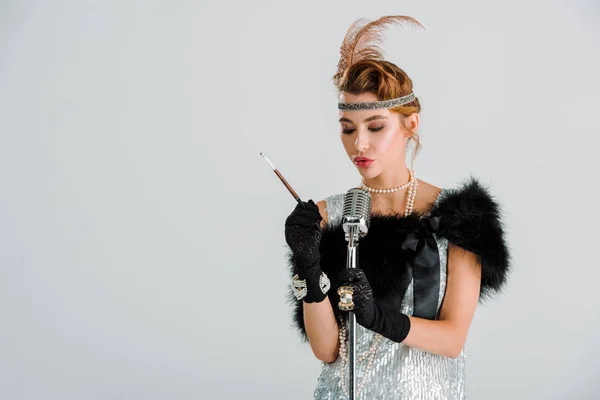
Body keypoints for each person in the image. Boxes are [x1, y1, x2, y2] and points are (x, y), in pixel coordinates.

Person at [283, 15, 511, 399]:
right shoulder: (327, 216)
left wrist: (378, 319)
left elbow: (453, 339)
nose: (359, 145)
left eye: (375, 127)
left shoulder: (458, 219)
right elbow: (327, 350)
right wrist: (308, 267)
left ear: (410, 125)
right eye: (347, 128)